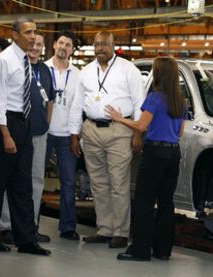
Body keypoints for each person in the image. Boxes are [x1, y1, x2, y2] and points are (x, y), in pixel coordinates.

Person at [0, 17, 50, 256]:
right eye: (28, 32)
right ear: (15, 34)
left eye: (35, 32)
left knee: (23, 185)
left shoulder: (24, 60)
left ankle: (26, 240)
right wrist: (6, 135)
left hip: (23, 122)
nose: (32, 36)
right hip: (4, 126)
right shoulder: (3, 61)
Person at [106, 56, 186, 261]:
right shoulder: (181, 100)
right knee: (166, 202)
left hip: (155, 154)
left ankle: (140, 249)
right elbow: (180, 133)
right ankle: (162, 250)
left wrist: (119, 118)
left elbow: (141, 126)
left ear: (159, 74)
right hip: (173, 153)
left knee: (144, 200)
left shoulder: (155, 97)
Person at [69, 31, 144, 248]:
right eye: (97, 45)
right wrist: (75, 134)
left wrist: (138, 132)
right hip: (91, 129)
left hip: (120, 130)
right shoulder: (86, 71)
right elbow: (76, 104)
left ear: (113, 45)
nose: (100, 48)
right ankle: (104, 228)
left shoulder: (128, 69)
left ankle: (120, 232)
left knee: (119, 183)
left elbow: (139, 102)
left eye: (105, 44)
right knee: (98, 184)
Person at [0, 33, 55, 244]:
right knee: (11, 178)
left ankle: (30, 226)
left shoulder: (45, 70)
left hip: (38, 133)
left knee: (36, 180)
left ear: (42, 48)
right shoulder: (14, 65)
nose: (35, 47)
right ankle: (7, 227)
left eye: (39, 44)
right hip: (16, 132)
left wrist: (46, 124)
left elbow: (50, 100)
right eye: (32, 43)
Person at [44, 30, 81, 240]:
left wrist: (75, 134)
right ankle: (31, 223)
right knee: (36, 179)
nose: (63, 47)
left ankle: (68, 227)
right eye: (61, 43)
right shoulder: (43, 69)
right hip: (45, 133)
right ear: (54, 45)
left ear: (72, 50)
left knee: (68, 182)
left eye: (68, 45)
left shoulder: (77, 74)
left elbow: (78, 106)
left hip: (67, 134)